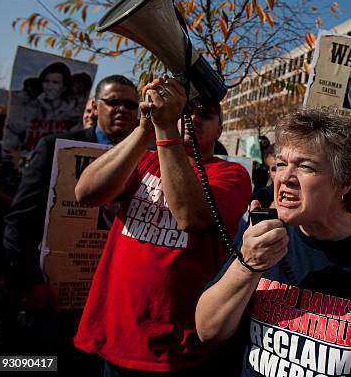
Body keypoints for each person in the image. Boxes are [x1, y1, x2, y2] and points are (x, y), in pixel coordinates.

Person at [196, 109, 351, 377]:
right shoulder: (262, 237)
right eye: (281, 164)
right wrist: (247, 266)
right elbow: (207, 330)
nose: (285, 178)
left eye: (305, 167)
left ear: (344, 183)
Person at [73, 76, 252, 374]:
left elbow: (189, 216)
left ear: (220, 130)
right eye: (187, 110)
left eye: (205, 114)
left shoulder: (231, 175)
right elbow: (87, 193)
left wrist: (167, 128)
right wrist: (145, 129)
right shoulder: (143, 160)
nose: (193, 117)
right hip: (117, 335)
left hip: (174, 350)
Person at [0, 75, 139, 371]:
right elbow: (19, 222)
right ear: (95, 105)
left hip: (112, 305)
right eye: (113, 102)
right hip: (53, 299)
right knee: (41, 365)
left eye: (130, 104)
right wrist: (31, 282)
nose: (123, 110)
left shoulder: (148, 159)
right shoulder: (57, 148)